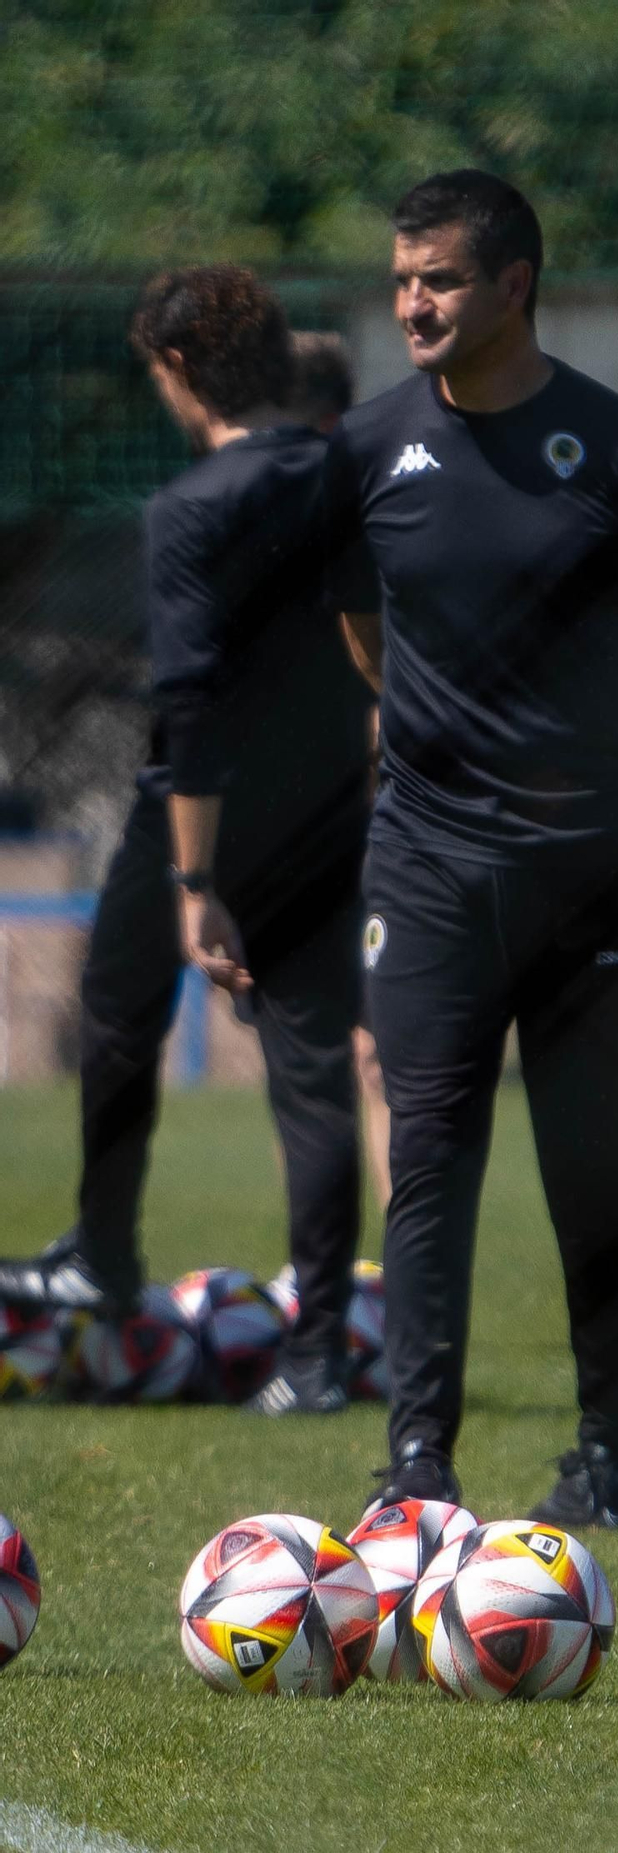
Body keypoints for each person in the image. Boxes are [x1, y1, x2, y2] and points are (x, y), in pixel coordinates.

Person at [329, 170, 618, 1527]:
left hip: (587, 865)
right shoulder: (370, 451)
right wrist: (454, 733)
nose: (415, 305)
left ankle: (617, 1458)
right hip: (427, 863)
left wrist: (561, 730)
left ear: (516, 284)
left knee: (587, 1164)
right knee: (430, 1155)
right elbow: (364, 636)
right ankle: (415, 1469)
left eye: (440, 278)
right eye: (401, 281)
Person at [0, 268, 375, 1418]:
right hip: (330, 806)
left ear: (176, 371)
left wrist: (195, 879)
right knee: (311, 1074)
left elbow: (195, 700)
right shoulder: (352, 480)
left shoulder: (193, 508)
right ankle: (317, 1354)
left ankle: (104, 1251)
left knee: (120, 1010)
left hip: (200, 811)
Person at [289, 331, 393, 1217]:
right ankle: (338, 1278)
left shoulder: (377, 506)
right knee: (332, 1047)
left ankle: (403, 1276)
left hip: (379, 818)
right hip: (297, 818)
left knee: (381, 1050)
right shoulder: (256, 518)